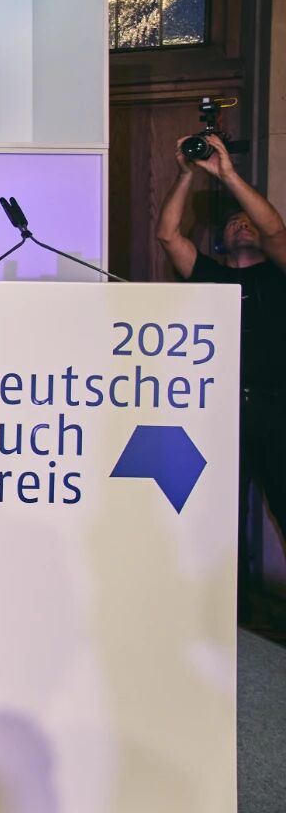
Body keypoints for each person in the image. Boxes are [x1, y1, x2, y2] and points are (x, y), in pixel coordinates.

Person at [156, 132, 286, 613]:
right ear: (221, 240)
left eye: (249, 221)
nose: (243, 225)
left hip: (277, 407)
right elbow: (169, 235)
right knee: (221, 513)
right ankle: (228, 613)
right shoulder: (211, 274)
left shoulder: (278, 273)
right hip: (221, 411)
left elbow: (277, 233)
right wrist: (187, 174)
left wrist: (228, 175)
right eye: (234, 223)